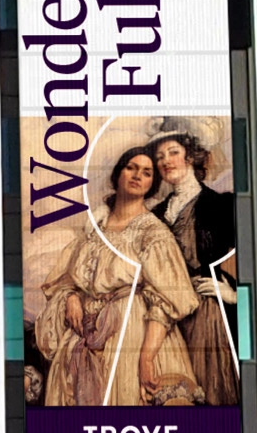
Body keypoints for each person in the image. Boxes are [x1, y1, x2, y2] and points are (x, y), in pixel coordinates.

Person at [35, 144, 202, 409]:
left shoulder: (153, 232)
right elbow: (68, 277)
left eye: (147, 173)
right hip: (84, 331)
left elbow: (168, 300)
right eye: (131, 168)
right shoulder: (95, 228)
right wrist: (71, 298)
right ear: (118, 174)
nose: (138, 176)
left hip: (132, 331)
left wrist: (146, 357)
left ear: (152, 183)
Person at [150, 130, 239, 408]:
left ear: (190, 157)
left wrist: (234, 294)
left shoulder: (223, 206)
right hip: (166, 316)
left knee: (209, 389)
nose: (166, 161)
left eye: (173, 152)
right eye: (160, 157)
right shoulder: (154, 216)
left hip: (205, 312)